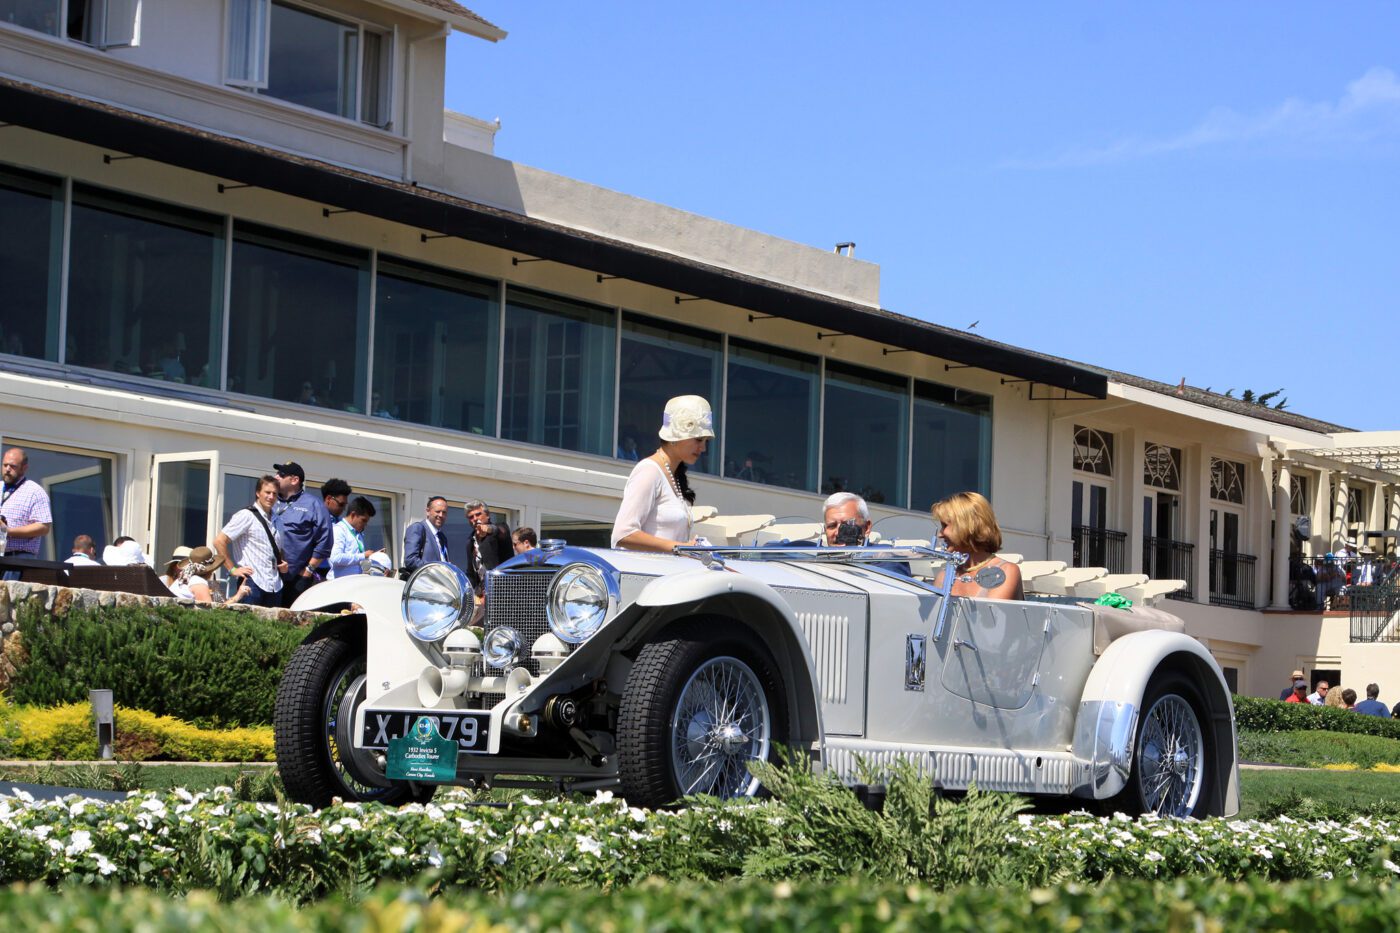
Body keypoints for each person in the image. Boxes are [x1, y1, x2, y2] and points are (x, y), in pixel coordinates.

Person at [612, 395, 712, 553]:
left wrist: (686, 548)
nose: (703, 448)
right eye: (699, 439)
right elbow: (623, 534)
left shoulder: (674, 476)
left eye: (706, 441)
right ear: (676, 436)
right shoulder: (649, 471)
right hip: (649, 575)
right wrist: (681, 547)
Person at [929, 491, 1023, 600]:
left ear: (968, 526)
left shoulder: (1006, 571)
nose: (940, 534)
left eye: (945, 525)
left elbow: (991, 614)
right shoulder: (945, 575)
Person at [213, 475, 287, 608]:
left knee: (270, 628)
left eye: (274, 494)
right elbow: (219, 541)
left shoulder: (278, 520)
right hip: (253, 581)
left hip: (275, 584)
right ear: (258, 493)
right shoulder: (246, 515)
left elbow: (277, 548)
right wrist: (232, 569)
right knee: (247, 625)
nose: (271, 497)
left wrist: (283, 562)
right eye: (267, 492)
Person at [271, 461, 332, 607]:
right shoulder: (270, 501)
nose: (276, 477)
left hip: (296, 579)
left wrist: (308, 571)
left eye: (281, 475)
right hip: (269, 576)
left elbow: (325, 542)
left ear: (294, 480)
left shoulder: (313, 505)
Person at [821, 492, 911, 576]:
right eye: (832, 526)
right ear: (825, 531)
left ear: (867, 528)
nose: (838, 533)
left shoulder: (885, 558)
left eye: (847, 525)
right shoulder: (813, 560)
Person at [1, 447, 53, 578]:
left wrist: (8, 531)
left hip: (18, 560)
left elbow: (43, 527)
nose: (7, 469)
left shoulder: (35, 492)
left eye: (13, 466)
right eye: (5, 465)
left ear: (24, 468)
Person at [464, 500, 512, 605]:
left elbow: (500, 531)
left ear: (488, 515)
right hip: (481, 596)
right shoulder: (470, 542)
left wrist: (488, 529)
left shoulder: (499, 530)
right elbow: (471, 573)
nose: (475, 519)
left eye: (478, 514)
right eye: (471, 517)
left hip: (503, 594)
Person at [328, 496, 379, 578]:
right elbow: (335, 558)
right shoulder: (339, 530)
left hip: (355, 583)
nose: (365, 524)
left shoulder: (357, 533)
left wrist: (375, 558)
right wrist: (363, 555)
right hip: (339, 584)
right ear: (353, 515)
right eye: (363, 520)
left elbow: (358, 562)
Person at [403, 496, 451, 574]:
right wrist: (436, 570)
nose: (441, 515)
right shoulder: (418, 528)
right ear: (428, 511)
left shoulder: (442, 537)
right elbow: (410, 560)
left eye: (444, 512)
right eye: (438, 511)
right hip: (422, 583)